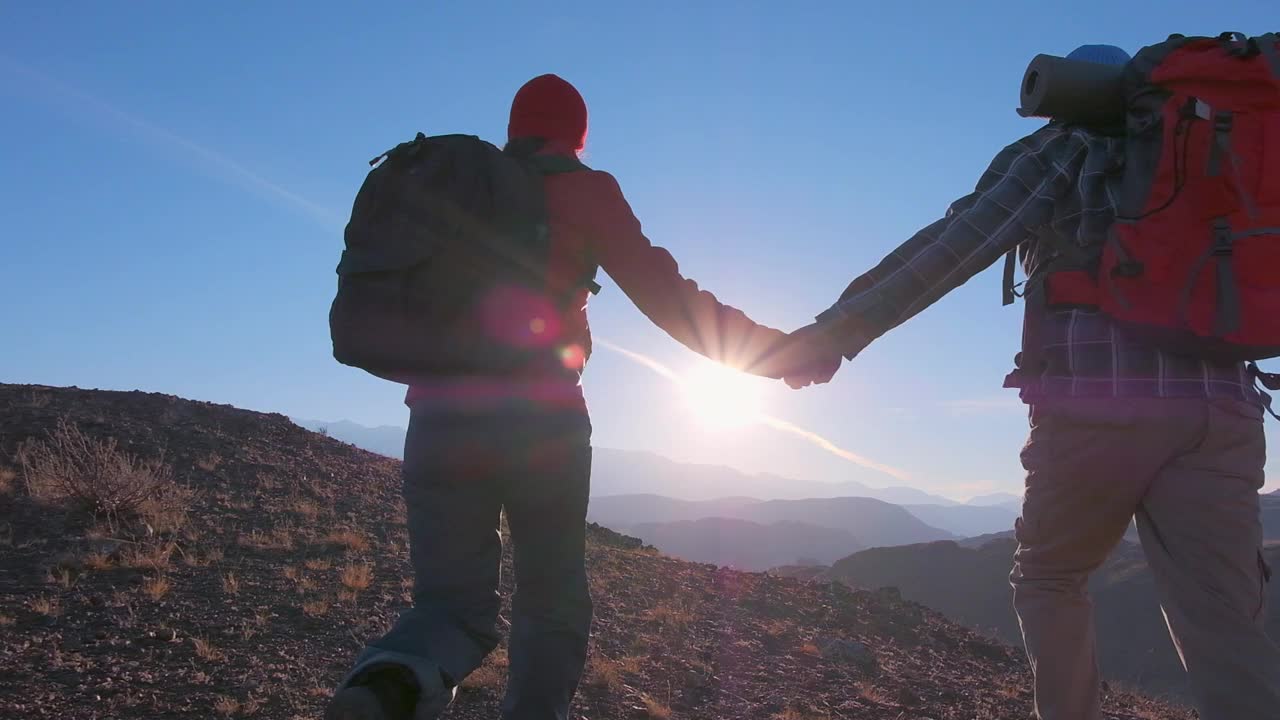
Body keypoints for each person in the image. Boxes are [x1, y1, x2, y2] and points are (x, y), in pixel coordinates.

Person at [785, 44, 1280, 720]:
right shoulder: (1220, 150)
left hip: (1095, 399)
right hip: (1223, 409)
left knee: (1051, 577)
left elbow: (956, 244)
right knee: (1225, 619)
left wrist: (835, 334)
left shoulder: (1059, 150)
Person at [325, 74, 815, 720]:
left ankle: (384, 690)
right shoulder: (587, 190)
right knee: (550, 601)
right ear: (577, 137)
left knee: (448, 609)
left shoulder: (461, 188)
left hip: (438, 417)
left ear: (513, 131)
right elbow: (673, 301)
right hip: (543, 422)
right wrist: (778, 353)